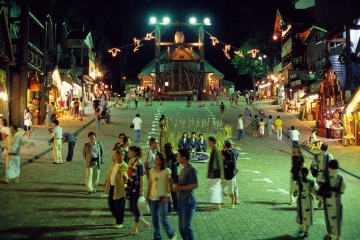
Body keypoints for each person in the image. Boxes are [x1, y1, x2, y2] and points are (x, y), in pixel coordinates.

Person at [146, 152, 177, 240]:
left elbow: (168, 185)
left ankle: (171, 234)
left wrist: (166, 195)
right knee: (154, 219)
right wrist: (147, 197)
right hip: (153, 198)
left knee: (163, 218)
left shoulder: (166, 171)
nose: (155, 161)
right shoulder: (151, 171)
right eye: (154, 159)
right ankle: (157, 237)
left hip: (162, 198)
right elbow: (149, 185)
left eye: (156, 159)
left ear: (161, 161)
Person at [172, 148, 198, 240]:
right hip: (180, 200)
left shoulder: (191, 169)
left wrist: (180, 188)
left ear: (183, 157)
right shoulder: (183, 169)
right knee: (181, 228)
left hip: (188, 201)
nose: (176, 158)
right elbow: (181, 183)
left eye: (178, 156)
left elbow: (195, 185)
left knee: (186, 227)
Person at [126, 146, 150, 236]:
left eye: (130, 151)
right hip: (131, 188)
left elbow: (141, 178)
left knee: (135, 208)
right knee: (132, 208)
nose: (128, 153)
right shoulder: (130, 161)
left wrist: (141, 190)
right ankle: (143, 223)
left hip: (136, 188)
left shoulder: (139, 164)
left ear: (135, 153)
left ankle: (134, 229)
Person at [103, 149, 128, 229]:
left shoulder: (124, 165)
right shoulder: (114, 164)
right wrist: (106, 182)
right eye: (116, 155)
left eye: (120, 155)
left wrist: (124, 177)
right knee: (111, 204)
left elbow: (124, 173)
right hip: (112, 186)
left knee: (120, 205)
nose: (118, 157)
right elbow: (109, 174)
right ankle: (119, 218)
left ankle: (120, 221)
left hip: (119, 188)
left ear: (123, 157)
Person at [292, 167, 318, 238]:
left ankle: (300, 227)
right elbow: (316, 190)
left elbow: (295, 192)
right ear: (307, 174)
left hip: (301, 199)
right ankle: (306, 231)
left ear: (301, 173)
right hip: (309, 199)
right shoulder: (312, 182)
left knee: (300, 213)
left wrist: (295, 194)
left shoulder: (297, 182)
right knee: (308, 215)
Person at [323, 160, 345, 240]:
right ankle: (338, 237)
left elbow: (322, 187)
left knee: (328, 217)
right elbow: (342, 190)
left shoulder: (326, 176)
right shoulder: (340, 177)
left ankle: (329, 234)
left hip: (327, 200)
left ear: (329, 167)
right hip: (337, 202)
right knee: (338, 219)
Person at [310, 143, 333, 208]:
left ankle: (320, 199)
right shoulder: (330, 156)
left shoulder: (317, 155)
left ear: (321, 148)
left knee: (319, 188)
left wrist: (314, 173)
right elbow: (333, 166)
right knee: (326, 189)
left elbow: (313, 165)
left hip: (319, 174)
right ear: (327, 148)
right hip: (327, 175)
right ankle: (325, 202)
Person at [206, 136, 224, 210]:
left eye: (208, 141)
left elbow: (214, 162)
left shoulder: (215, 150)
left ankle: (217, 204)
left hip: (216, 174)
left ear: (211, 142)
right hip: (218, 173)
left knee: (213, 188)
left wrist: (212, 171)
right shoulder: (215, 149)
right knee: (216, 188)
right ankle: (217, 204)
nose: (207, 143)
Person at [222, 140, 238, 209]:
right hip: (232, 174)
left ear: (225, 146)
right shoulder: (235, 152)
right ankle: (233, 201)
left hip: (227, 174)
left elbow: (222, 153)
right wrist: (232, 148)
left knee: (228, 189)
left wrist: (223, 149)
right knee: (233, 188)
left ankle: (232, 203)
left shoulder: (225, 153)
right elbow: (236, 151)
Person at [164, 142, 178, 212]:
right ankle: (176, 208)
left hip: (168, 177)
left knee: (168, 192)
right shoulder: (175, 156)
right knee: (174, 193)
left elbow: (167, 167)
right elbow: (177, 164)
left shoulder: (166, 157)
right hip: (174, 176)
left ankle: (168, 208)